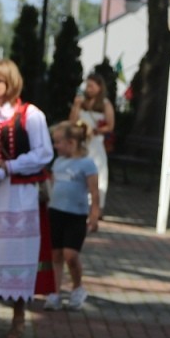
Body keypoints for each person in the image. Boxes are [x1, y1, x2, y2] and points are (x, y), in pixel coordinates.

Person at [0, 58, 53, 338]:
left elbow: (44, 153)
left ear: (10, 82)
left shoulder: (30, 115)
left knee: (19, 256)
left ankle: (18, 321)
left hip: (19, 194)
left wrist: (9, 166)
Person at [43, 120, 101, 311]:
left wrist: (94, 214)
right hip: (56, 213)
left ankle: (77, 288)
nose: (55, 146)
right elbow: (51, 186)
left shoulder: (87, 164)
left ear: (71, 143)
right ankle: (54, 292)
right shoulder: (58, 163)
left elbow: (94, 191)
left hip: (76, 215)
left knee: (71, 255)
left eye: (58, 142)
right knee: (56, 254)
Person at [70, 72, 114, 212]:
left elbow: (110, 125)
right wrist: (76, 105)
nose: (89, 89)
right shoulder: (81, 102)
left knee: (98, 173)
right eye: (87, 85)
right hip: (81, 143)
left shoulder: (105, 104)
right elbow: (72, 121)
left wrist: (95, 131)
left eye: (92, 86)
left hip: (96, 143)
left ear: (99, 88)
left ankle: (97, 206)